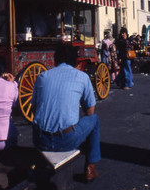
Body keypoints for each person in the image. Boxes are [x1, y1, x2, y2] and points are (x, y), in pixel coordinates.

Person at [31, 43, 101, 182]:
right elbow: (90, 111)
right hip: (65, 140)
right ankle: (90, 167)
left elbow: (34, 109)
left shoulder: (42, 76)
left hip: (40, 139)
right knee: (94, 119)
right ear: (75, 60)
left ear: (55, 59)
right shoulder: (82, 77)